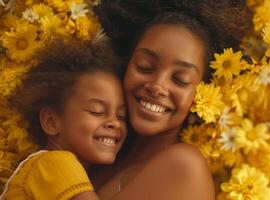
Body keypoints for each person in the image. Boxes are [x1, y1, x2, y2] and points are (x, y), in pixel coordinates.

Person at [92, 1, 252, 199]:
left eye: (180, 80)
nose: (157, 86)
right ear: (126, 64)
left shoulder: (183, 166)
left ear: (201, 93)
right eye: (145, 67)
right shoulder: (105, 147)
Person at [0, 40, 127, 200]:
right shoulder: (55, 162)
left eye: (122, 116)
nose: (114, 122)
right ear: (51, 122)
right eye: (97, 111)